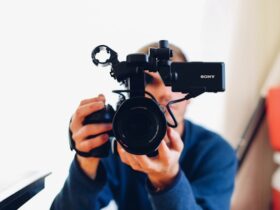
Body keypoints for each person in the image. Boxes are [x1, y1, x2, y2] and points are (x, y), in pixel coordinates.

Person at [51, 42, 237, 210]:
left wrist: (168, 180)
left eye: (174, 80)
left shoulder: (216, 152)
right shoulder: (113, 143)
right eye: (148, 80)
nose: (164, 92)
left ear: (191, 96)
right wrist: (86, 160)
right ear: (131, 90)